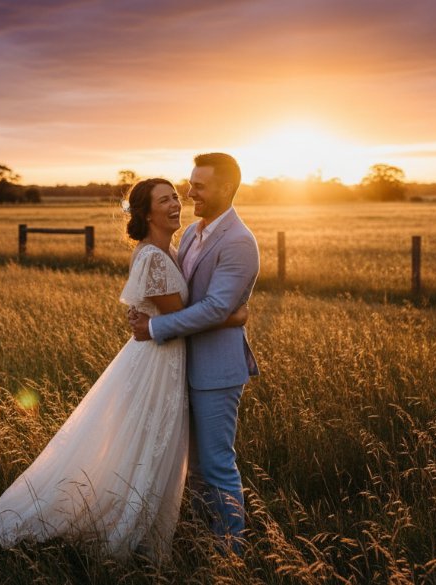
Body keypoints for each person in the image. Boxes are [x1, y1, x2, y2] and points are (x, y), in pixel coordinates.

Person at [0, 178, 247, 562]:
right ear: (146, 213)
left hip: (166, 358)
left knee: (152, 446)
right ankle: (122, 528)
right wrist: (234, 316)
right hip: (157, 361)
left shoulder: (170, 246)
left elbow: (180, 311)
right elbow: (182, 317)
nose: (176, 204)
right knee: (142, 446)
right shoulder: (153, 256)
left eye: (176, 196)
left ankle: (148, 523)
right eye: (165, 200)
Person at [129, 153, 260, 555]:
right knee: (196, 470)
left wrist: (152, 328)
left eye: (199, 186)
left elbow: (216, 307)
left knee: (217, 465)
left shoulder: (239, 241)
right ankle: (206, 540)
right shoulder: (190, 234)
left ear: (226, 188)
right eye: (190, 184)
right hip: (178, 365)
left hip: (217, 371)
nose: (190, 193)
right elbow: (183, 298)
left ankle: (231, 554)